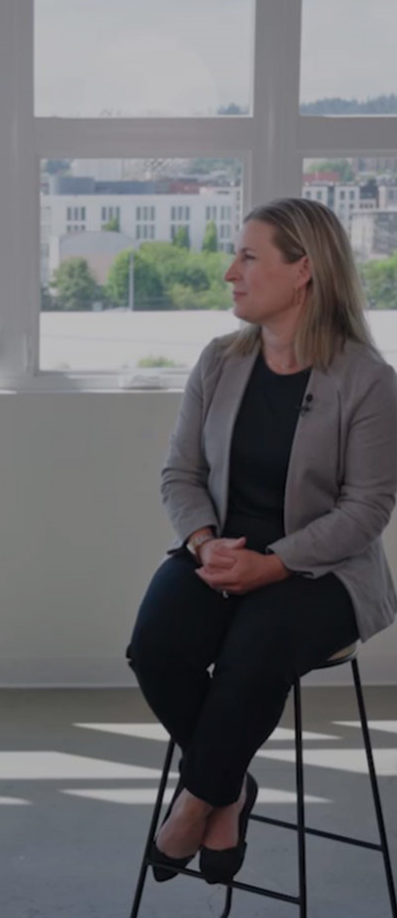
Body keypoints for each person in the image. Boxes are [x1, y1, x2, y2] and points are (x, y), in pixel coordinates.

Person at [128, 196, 397, 887]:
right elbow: (179, 474)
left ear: (303, 269)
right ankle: (229, 791)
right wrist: (201, 542)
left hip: (322, 574)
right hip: (216, 554)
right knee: (155, 646)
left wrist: (273, 564)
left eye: (247, 257)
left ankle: (196, 800)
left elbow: (367, 508)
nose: (229, 273)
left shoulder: (367, 381)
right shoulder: (219, 361)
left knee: (253, 653)